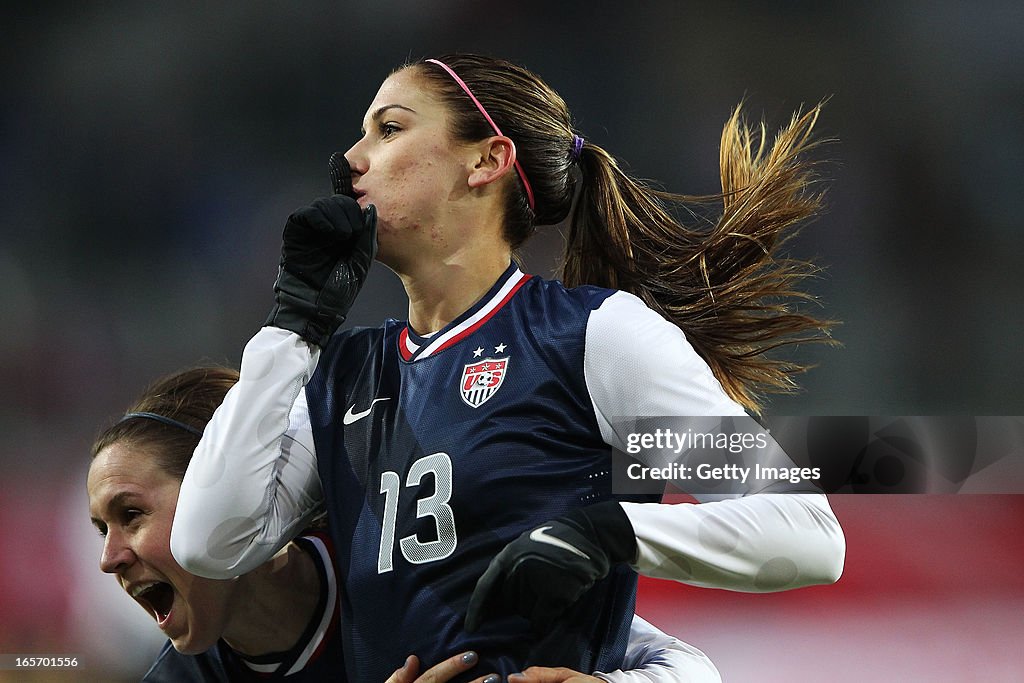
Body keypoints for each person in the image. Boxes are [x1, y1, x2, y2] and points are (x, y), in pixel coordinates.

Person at [170, 53, 846, 681]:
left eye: (389, 129)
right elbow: (208, 542)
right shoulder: (340, 374)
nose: (349, 161)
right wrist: (294, 324)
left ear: (487, 160)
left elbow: (808, 532)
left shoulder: (591, 335)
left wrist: (606, 532)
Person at [88, 366, 724, 682]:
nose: (110, 558)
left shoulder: (410, 540)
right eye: (102, 528)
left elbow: (689, 666)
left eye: (132, 515)